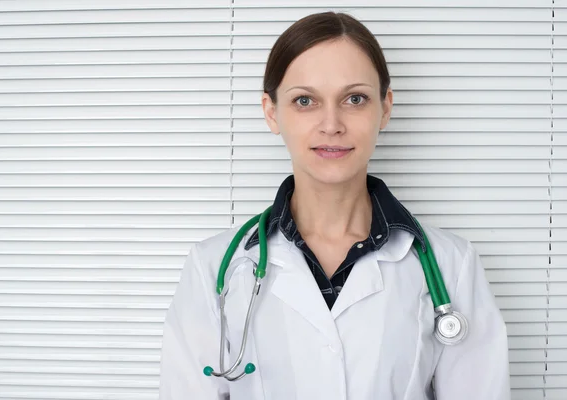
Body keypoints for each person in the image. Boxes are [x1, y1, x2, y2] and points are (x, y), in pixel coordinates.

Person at [158, 11, 511, 400]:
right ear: (272, 112)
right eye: (305, 100)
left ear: (385, 108)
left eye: (354, 98)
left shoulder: (451, 266)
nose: (331, 124)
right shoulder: (213, 268)